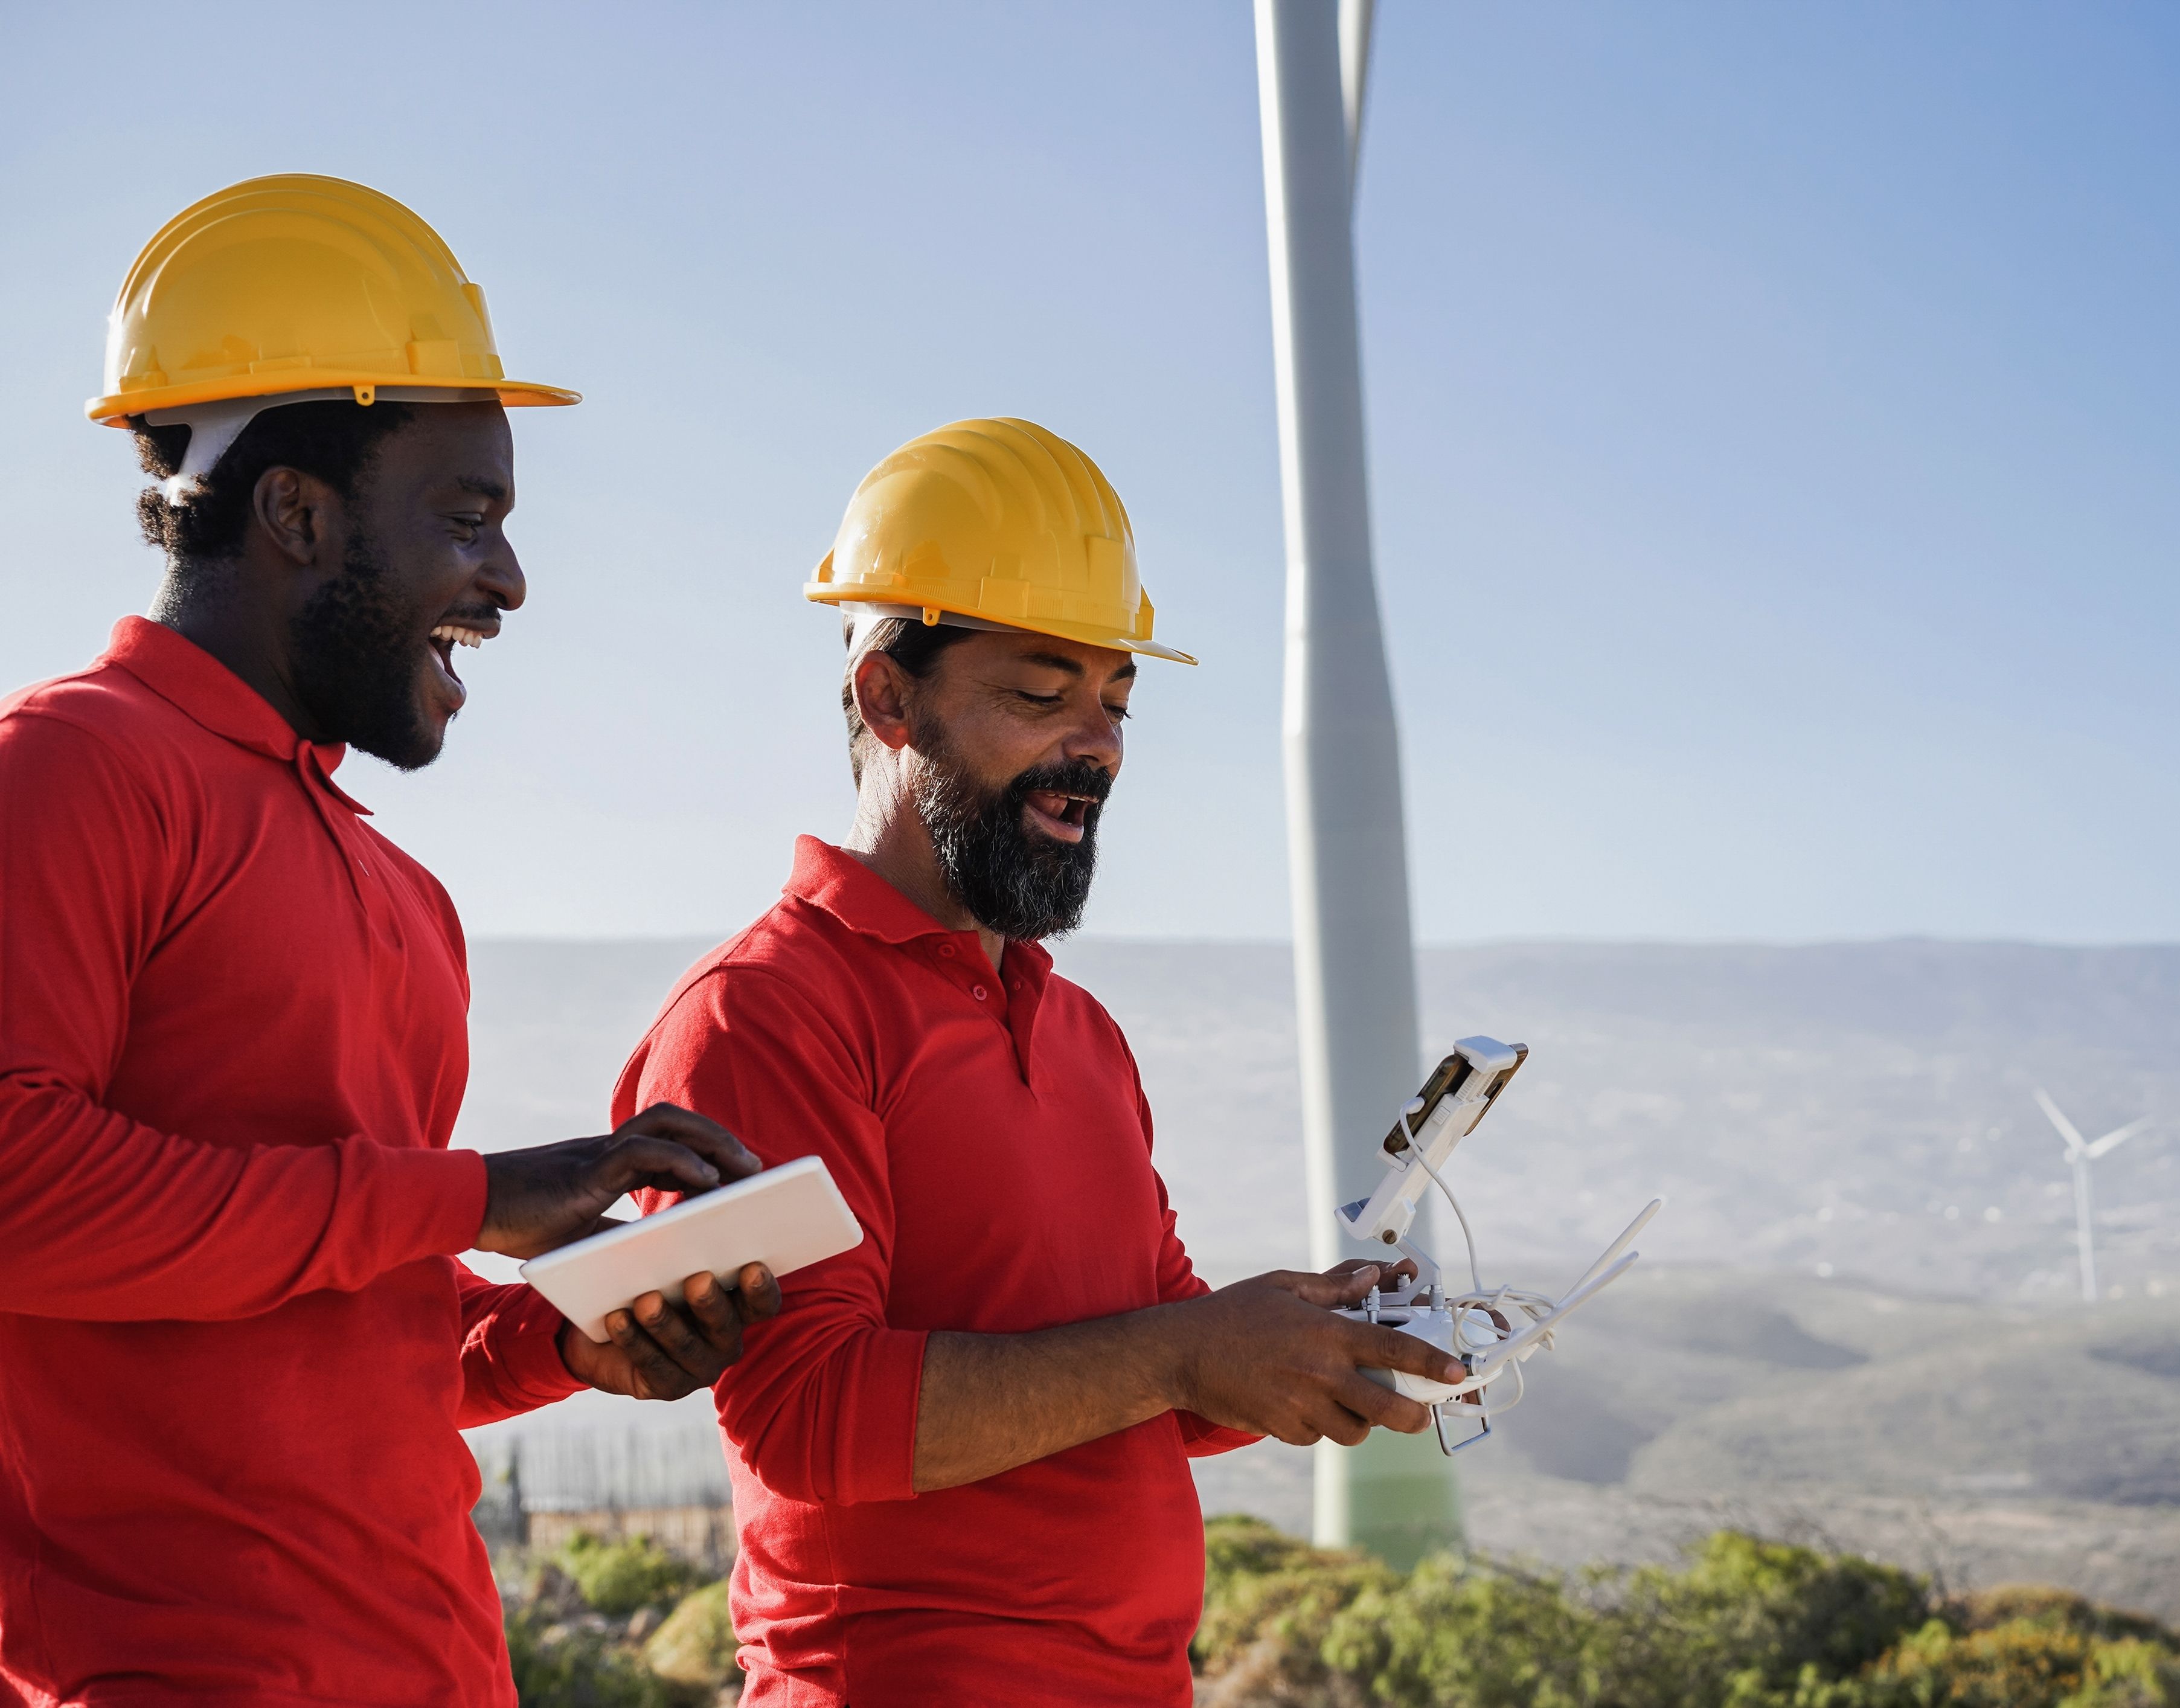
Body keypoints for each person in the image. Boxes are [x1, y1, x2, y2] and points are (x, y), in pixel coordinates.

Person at [0, 175, 781, 1706]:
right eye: (469, 519)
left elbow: (354, 1310)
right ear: (297, 512)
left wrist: (570, 1338)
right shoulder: (72, 766)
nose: (507, 580)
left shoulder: (400, 893)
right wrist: (479, 1192)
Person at [612, 417, 1469, 1703]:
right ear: (886, 694)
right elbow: (806, 1416)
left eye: (1118, 700)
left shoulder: (1081, 1033)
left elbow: (1166, 1361)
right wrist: (1187, 1350)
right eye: (1042, 692)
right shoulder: (763, 1014)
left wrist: (1316, 1338)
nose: (1101, 744)